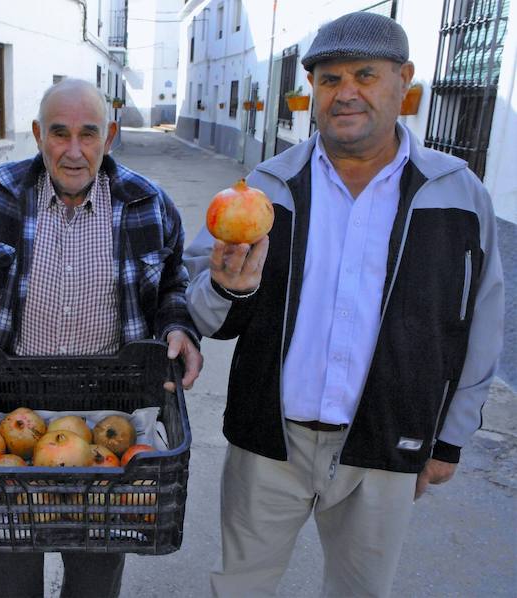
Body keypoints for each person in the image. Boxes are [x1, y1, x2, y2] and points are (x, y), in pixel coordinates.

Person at [183, 12, 504, 598]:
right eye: (329, 79)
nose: (346, 92)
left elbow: (479, 324)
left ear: (404, 81)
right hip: (269, 443)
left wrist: (449, 438)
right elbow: (204, 312)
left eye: (365, 73)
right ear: (313, 91)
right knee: (240, 588)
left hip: (385, 443)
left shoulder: (457, 194)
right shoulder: (265, 188)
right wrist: (229, 286)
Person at [0, 78, 203, 598]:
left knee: (96, 567)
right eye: (58, 133)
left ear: (110, 136)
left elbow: (173, 285)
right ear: (37, 134)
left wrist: (178, 326)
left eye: (88, 134)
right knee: (6, 564)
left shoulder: (147, 204)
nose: (73, 151)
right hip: (9, 404)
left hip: (109, 405)